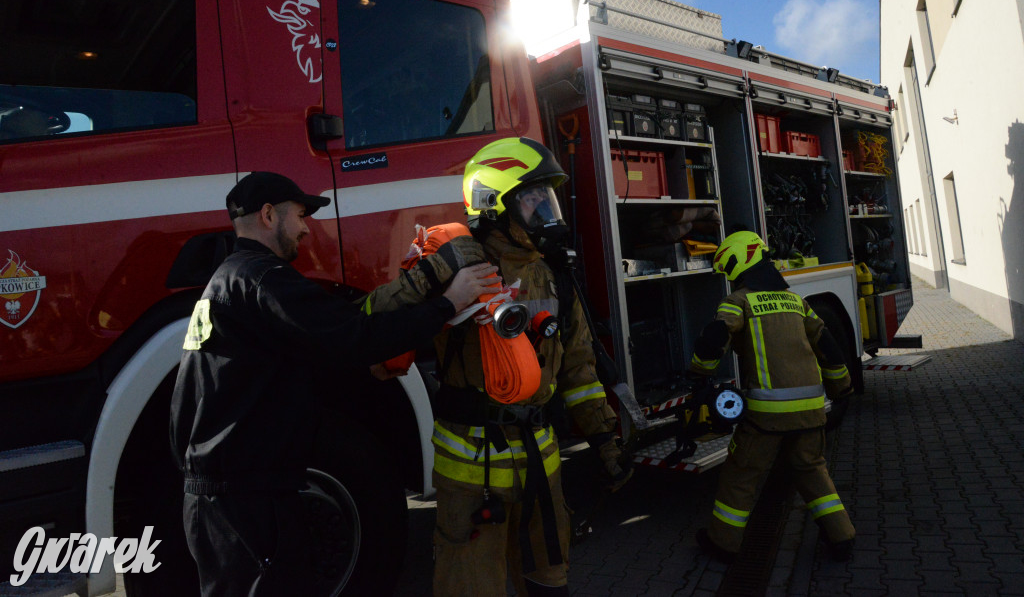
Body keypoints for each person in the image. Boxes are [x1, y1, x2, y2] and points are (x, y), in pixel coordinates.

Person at [169, 171, 498, 596]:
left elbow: (289, 362)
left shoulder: (227, 281)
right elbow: (353, 335)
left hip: (221, 496)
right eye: (300, 215)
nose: (306, 229)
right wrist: (449, 303)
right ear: (268, 215)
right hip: (248, 501)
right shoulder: (264, 279)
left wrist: (363, 367)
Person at [365, 137, 632, 596]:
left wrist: (606, 441)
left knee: (548, 582)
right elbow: (371, 323)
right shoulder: (453, 267)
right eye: (532, 199)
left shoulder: (553, 275)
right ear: (493, 204)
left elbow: (580, 371)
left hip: (541, 465)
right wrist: (430, 274)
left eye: (548, 198)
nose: (546, 211)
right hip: (470, 474)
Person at [688, 230, 855, 563]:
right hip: (811, 412)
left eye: (729, 269)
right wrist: (842, 390)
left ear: (741, 261)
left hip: (765, 417)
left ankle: (723, 543)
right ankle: (842, 536)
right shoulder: (797, 302)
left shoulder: (738, 302)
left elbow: (715, 338)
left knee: (742, 474)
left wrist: (699, 373)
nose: (730, 277)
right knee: (812, 469)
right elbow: (829, 348)